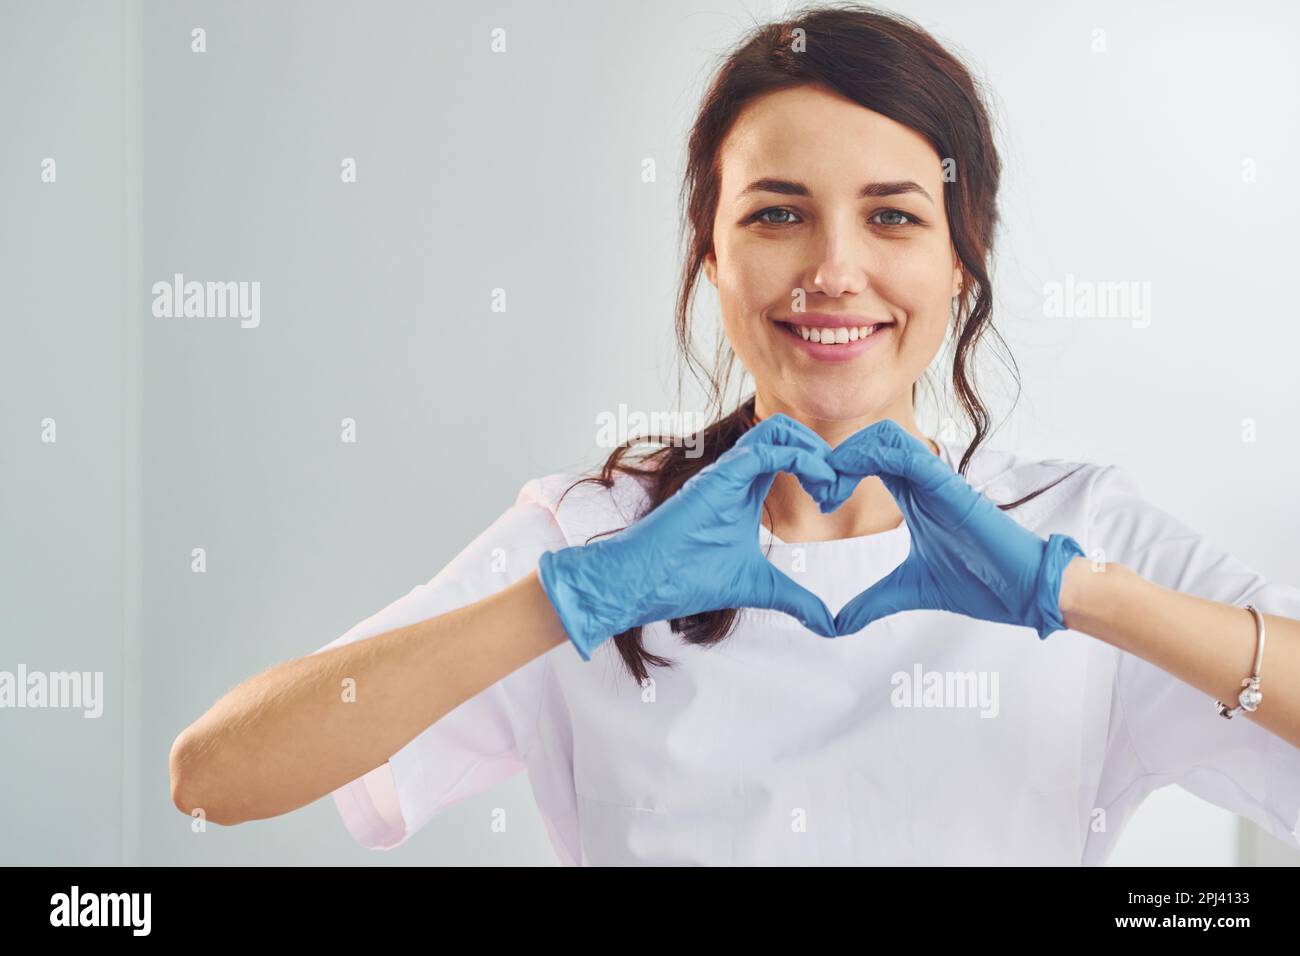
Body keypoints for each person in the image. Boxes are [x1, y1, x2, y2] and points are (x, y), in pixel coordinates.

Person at [169, 4, 1300, 865]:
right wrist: (573, 596)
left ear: (962, 258)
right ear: (711, 252)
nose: (832, 270)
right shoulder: (598, 534)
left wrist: (1078, 593)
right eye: (775, 213)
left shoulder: (1078, 529)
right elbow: (211, 776)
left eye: (894, 215)